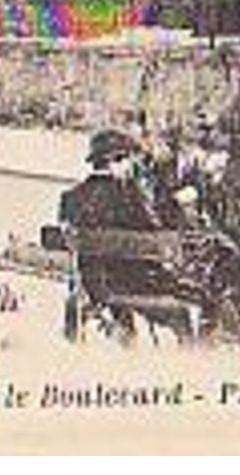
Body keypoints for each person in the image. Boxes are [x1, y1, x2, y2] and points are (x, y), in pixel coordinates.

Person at [58, 128, 195, 345]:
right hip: (135, 282)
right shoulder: (128, 195)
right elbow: (154, 234)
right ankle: (193, 357)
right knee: (182, 313)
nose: (130, 165)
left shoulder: (71, 197)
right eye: (127, 159)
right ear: (116, 160)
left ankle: (110, 339)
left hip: (94, 283)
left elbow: (65, 235)